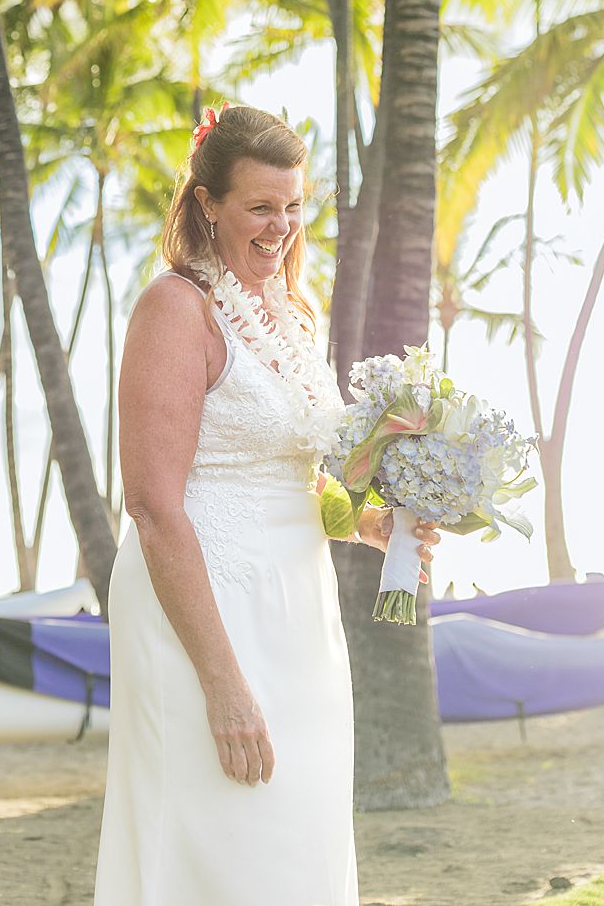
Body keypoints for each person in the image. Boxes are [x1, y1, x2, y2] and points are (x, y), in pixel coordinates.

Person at [93, 103, 440, 906]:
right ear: (207, 201)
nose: (280, 225)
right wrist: (223, 681)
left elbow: (297, 473)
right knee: (221, 835)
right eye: (260, 205)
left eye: (293, 204)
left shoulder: (295, 312)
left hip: (300, 613)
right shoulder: (174, 309)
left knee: (296, 835)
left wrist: (370, 521)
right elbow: (151, 504)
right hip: (204, 609)